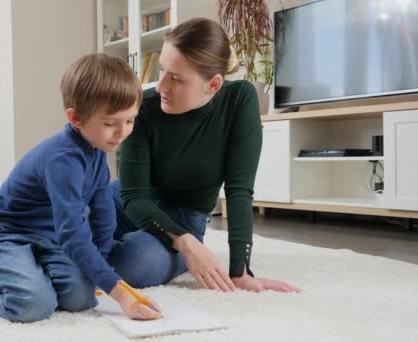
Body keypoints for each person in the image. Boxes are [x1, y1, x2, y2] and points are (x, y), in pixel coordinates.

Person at [108, 18, 300, 293]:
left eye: (176, 78)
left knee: (133, 264)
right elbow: (134, 197)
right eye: (162, 70)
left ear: (213, 84)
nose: (161, 86)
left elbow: (239, 191)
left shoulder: (239, 100)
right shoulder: (144, 107)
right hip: (130, 201)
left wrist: (240, 271)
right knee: (65, 218)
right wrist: (186, 245)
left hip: (185, 217)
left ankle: (124, 250)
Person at [0, 53, 162, 323]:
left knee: (81, 298)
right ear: (76, 118)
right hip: (4, 234)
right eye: (110, 123)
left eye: (129, 121)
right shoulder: (63, 160)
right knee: (35, 305)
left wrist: (100, 269)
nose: (122, 132)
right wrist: (121, 294)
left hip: (48, 237)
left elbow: (104, 217)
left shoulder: (97, 151)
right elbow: (72, 233)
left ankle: (29, 270)